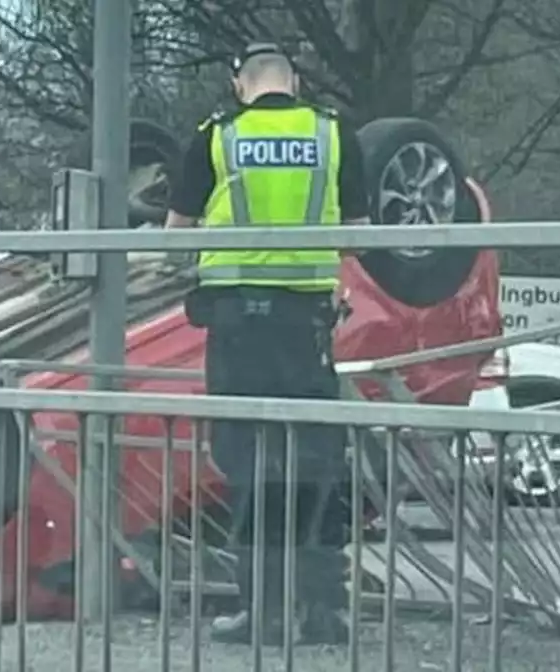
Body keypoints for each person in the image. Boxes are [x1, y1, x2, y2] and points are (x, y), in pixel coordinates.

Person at [164, 42, 370, 645]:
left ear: (239, 85)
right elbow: (359, 238)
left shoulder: (215, 137)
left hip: (236, 326)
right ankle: (326, 610)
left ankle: (262, 611)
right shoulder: (334, 135)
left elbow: (175, 239)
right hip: (306, 327)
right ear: (296, 83)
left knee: (249, 466)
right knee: (319, 464)